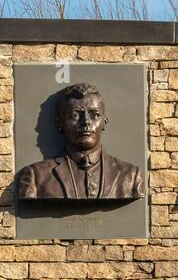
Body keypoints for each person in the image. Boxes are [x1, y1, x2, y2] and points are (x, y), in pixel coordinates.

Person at [16, 82, 145, 200]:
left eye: (94, 114)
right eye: (75, 115)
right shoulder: (36, 177)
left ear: (104, 122)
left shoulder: (131, 176)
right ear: (59, 124)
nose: (86, 122)